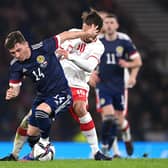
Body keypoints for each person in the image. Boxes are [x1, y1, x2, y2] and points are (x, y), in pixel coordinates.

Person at [0, 11, 112, 161]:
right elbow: (64, 38)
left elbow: (89, 65)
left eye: (86, 30)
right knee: (29, 123)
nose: (82, 32)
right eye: (82, 29)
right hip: (53, 83)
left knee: (79, 107)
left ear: (95, 30)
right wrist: (13, 91)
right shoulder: (75, 34)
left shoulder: (98, 47)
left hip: (74, 84)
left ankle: (95, 151)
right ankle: (24, 154)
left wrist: (69, 56)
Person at [89, 13, 142, 157]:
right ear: (103, 26)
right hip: (103, 85)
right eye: (106, 22)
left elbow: (137, 61)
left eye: (112, 22)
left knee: (119, 121)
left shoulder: (124, 40)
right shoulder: (97, 41)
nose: (109, 25)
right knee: (109, 118)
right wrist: (91, 73)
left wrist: (131, 73)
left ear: (117, 25)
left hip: (120, 86)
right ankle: (109, 150)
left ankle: (127, 136)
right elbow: (88, 59)